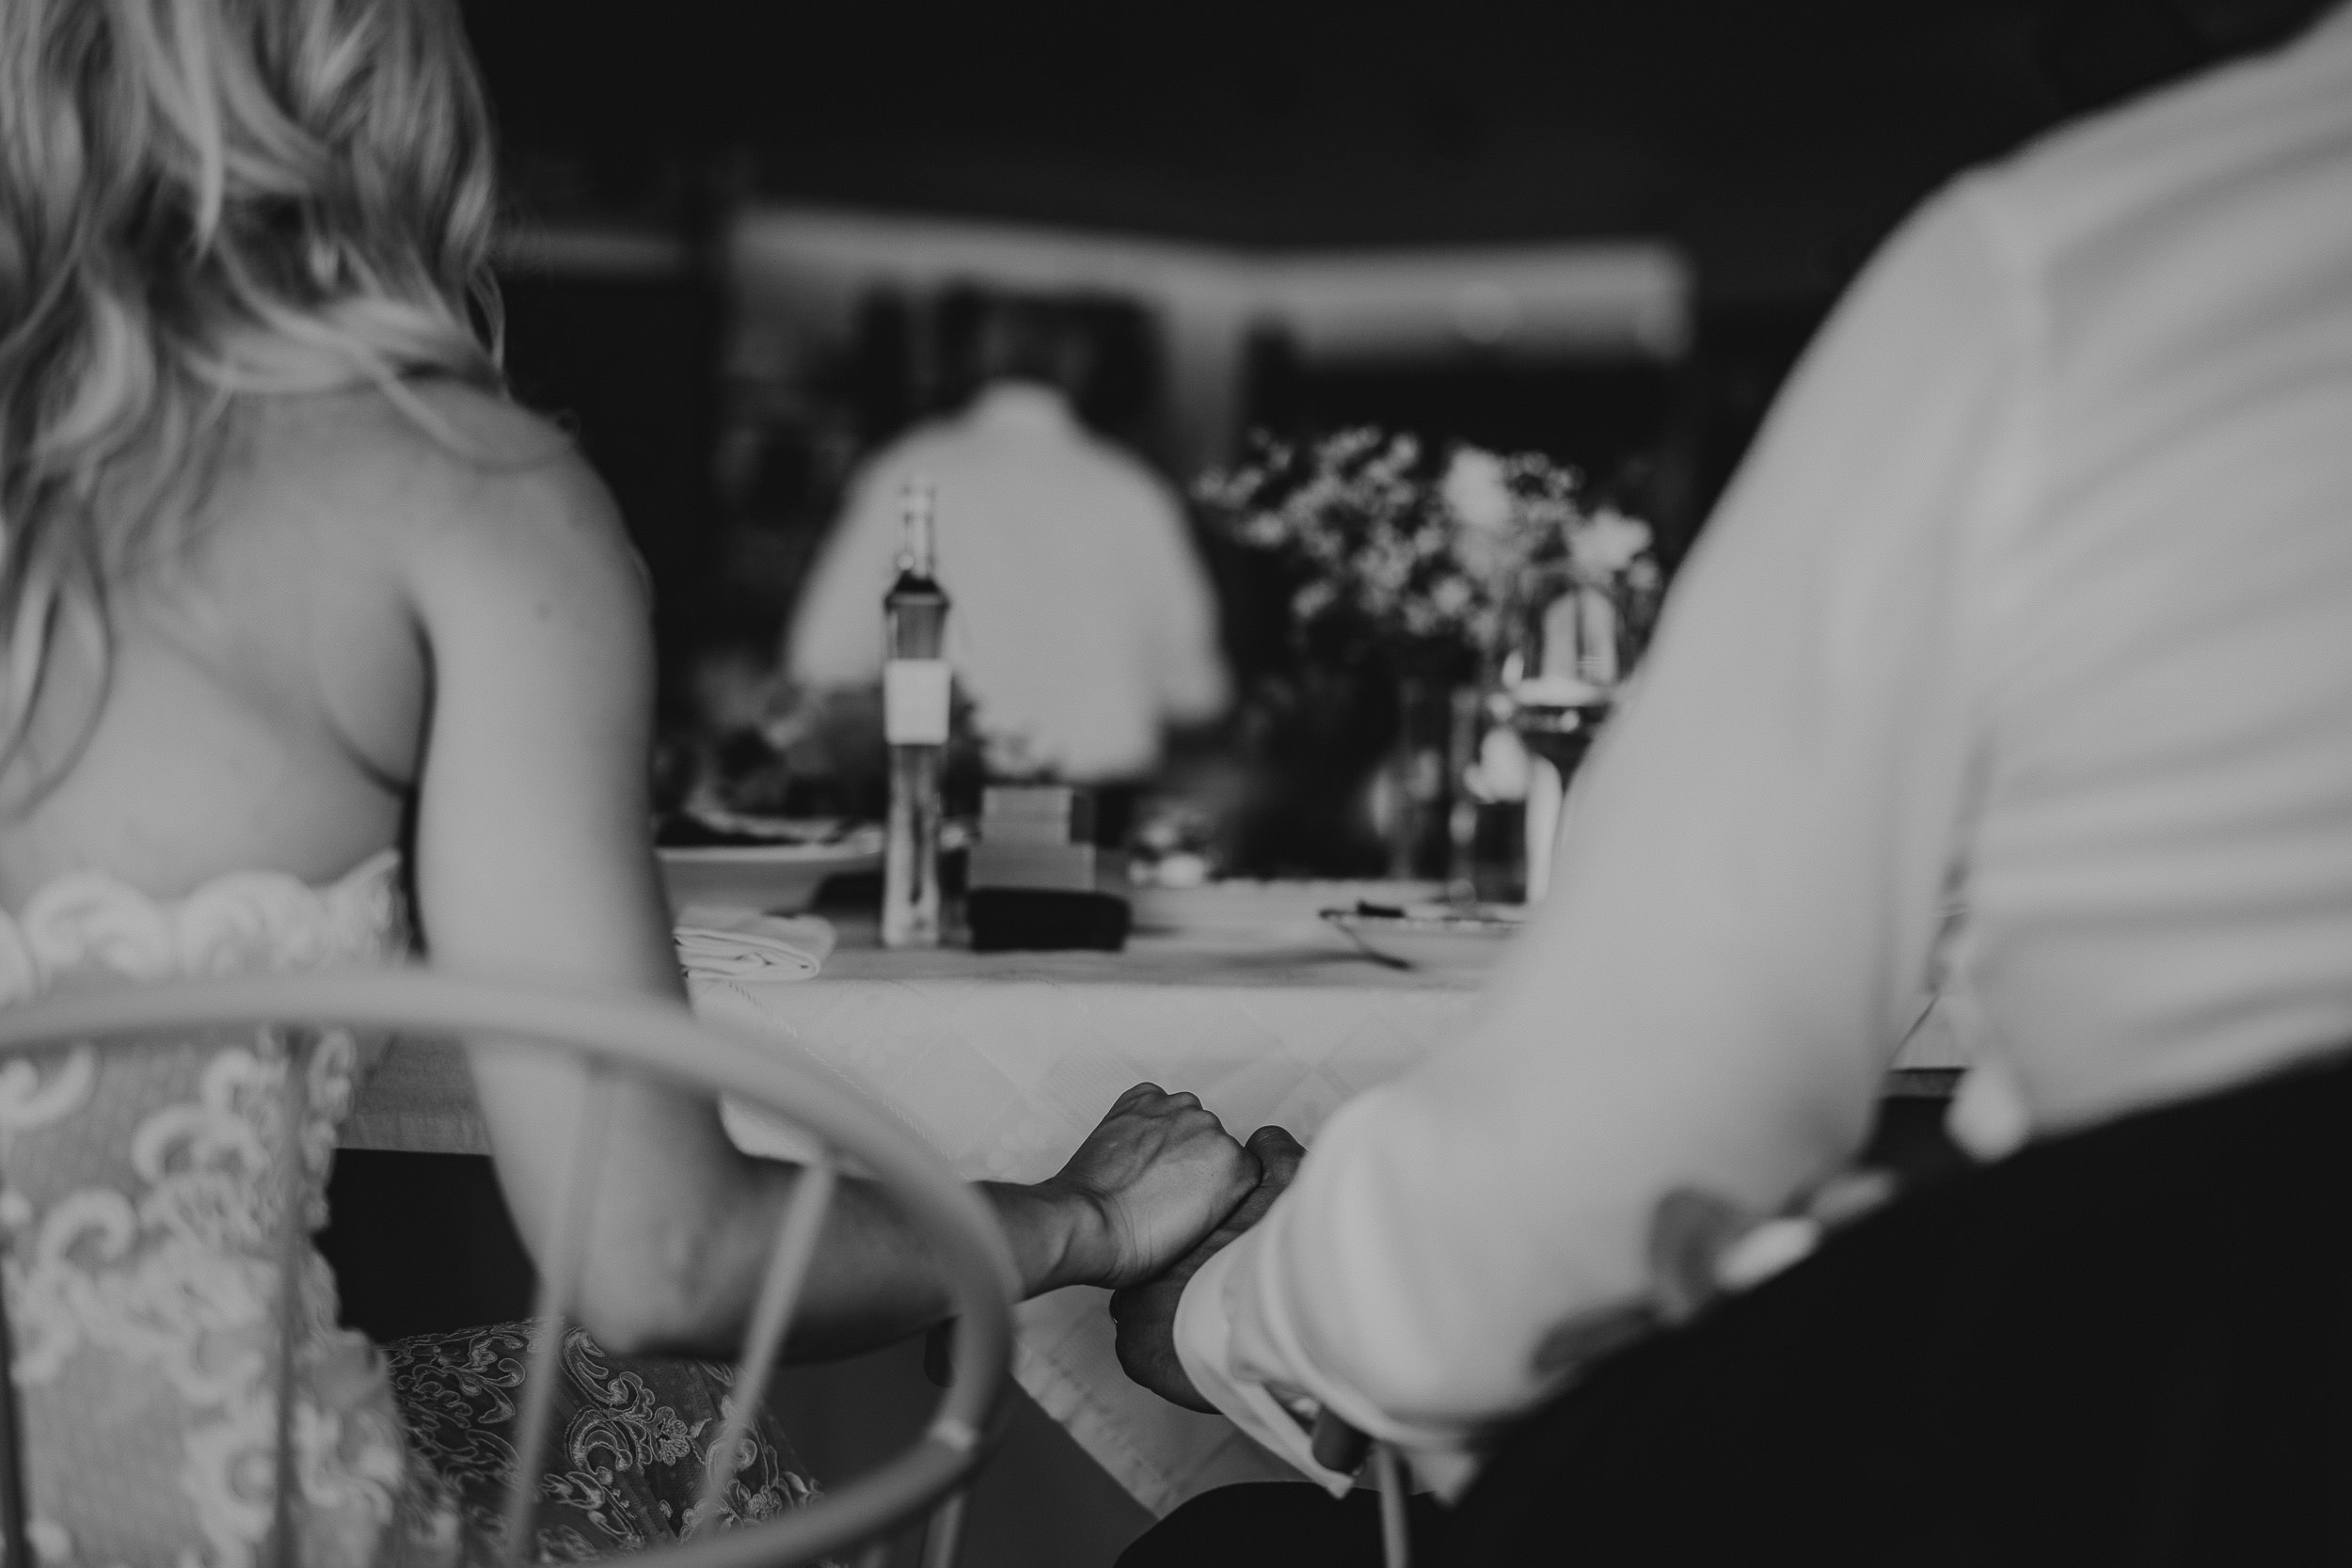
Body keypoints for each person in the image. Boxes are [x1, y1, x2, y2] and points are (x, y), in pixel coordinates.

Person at [0, 3, 1258, 1564]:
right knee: (659, 1412)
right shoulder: (455, 498)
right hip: (216, 1532)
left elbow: (822, 664)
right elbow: (666, 1255)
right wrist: (1080, 1216)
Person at [1111, 4, 2352, 1561]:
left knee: (1220, 1551)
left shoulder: (2072, 275)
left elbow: (1618, 1147)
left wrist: (1238, 1309)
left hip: (2184, 1469)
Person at [785, 293, 1229, 787]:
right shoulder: (1132, 490)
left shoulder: (907, 472)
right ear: (1080, 368)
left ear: (977, 357)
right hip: (1097, 798)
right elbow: (1196, 688)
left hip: (948, 787)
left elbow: (822, 657)